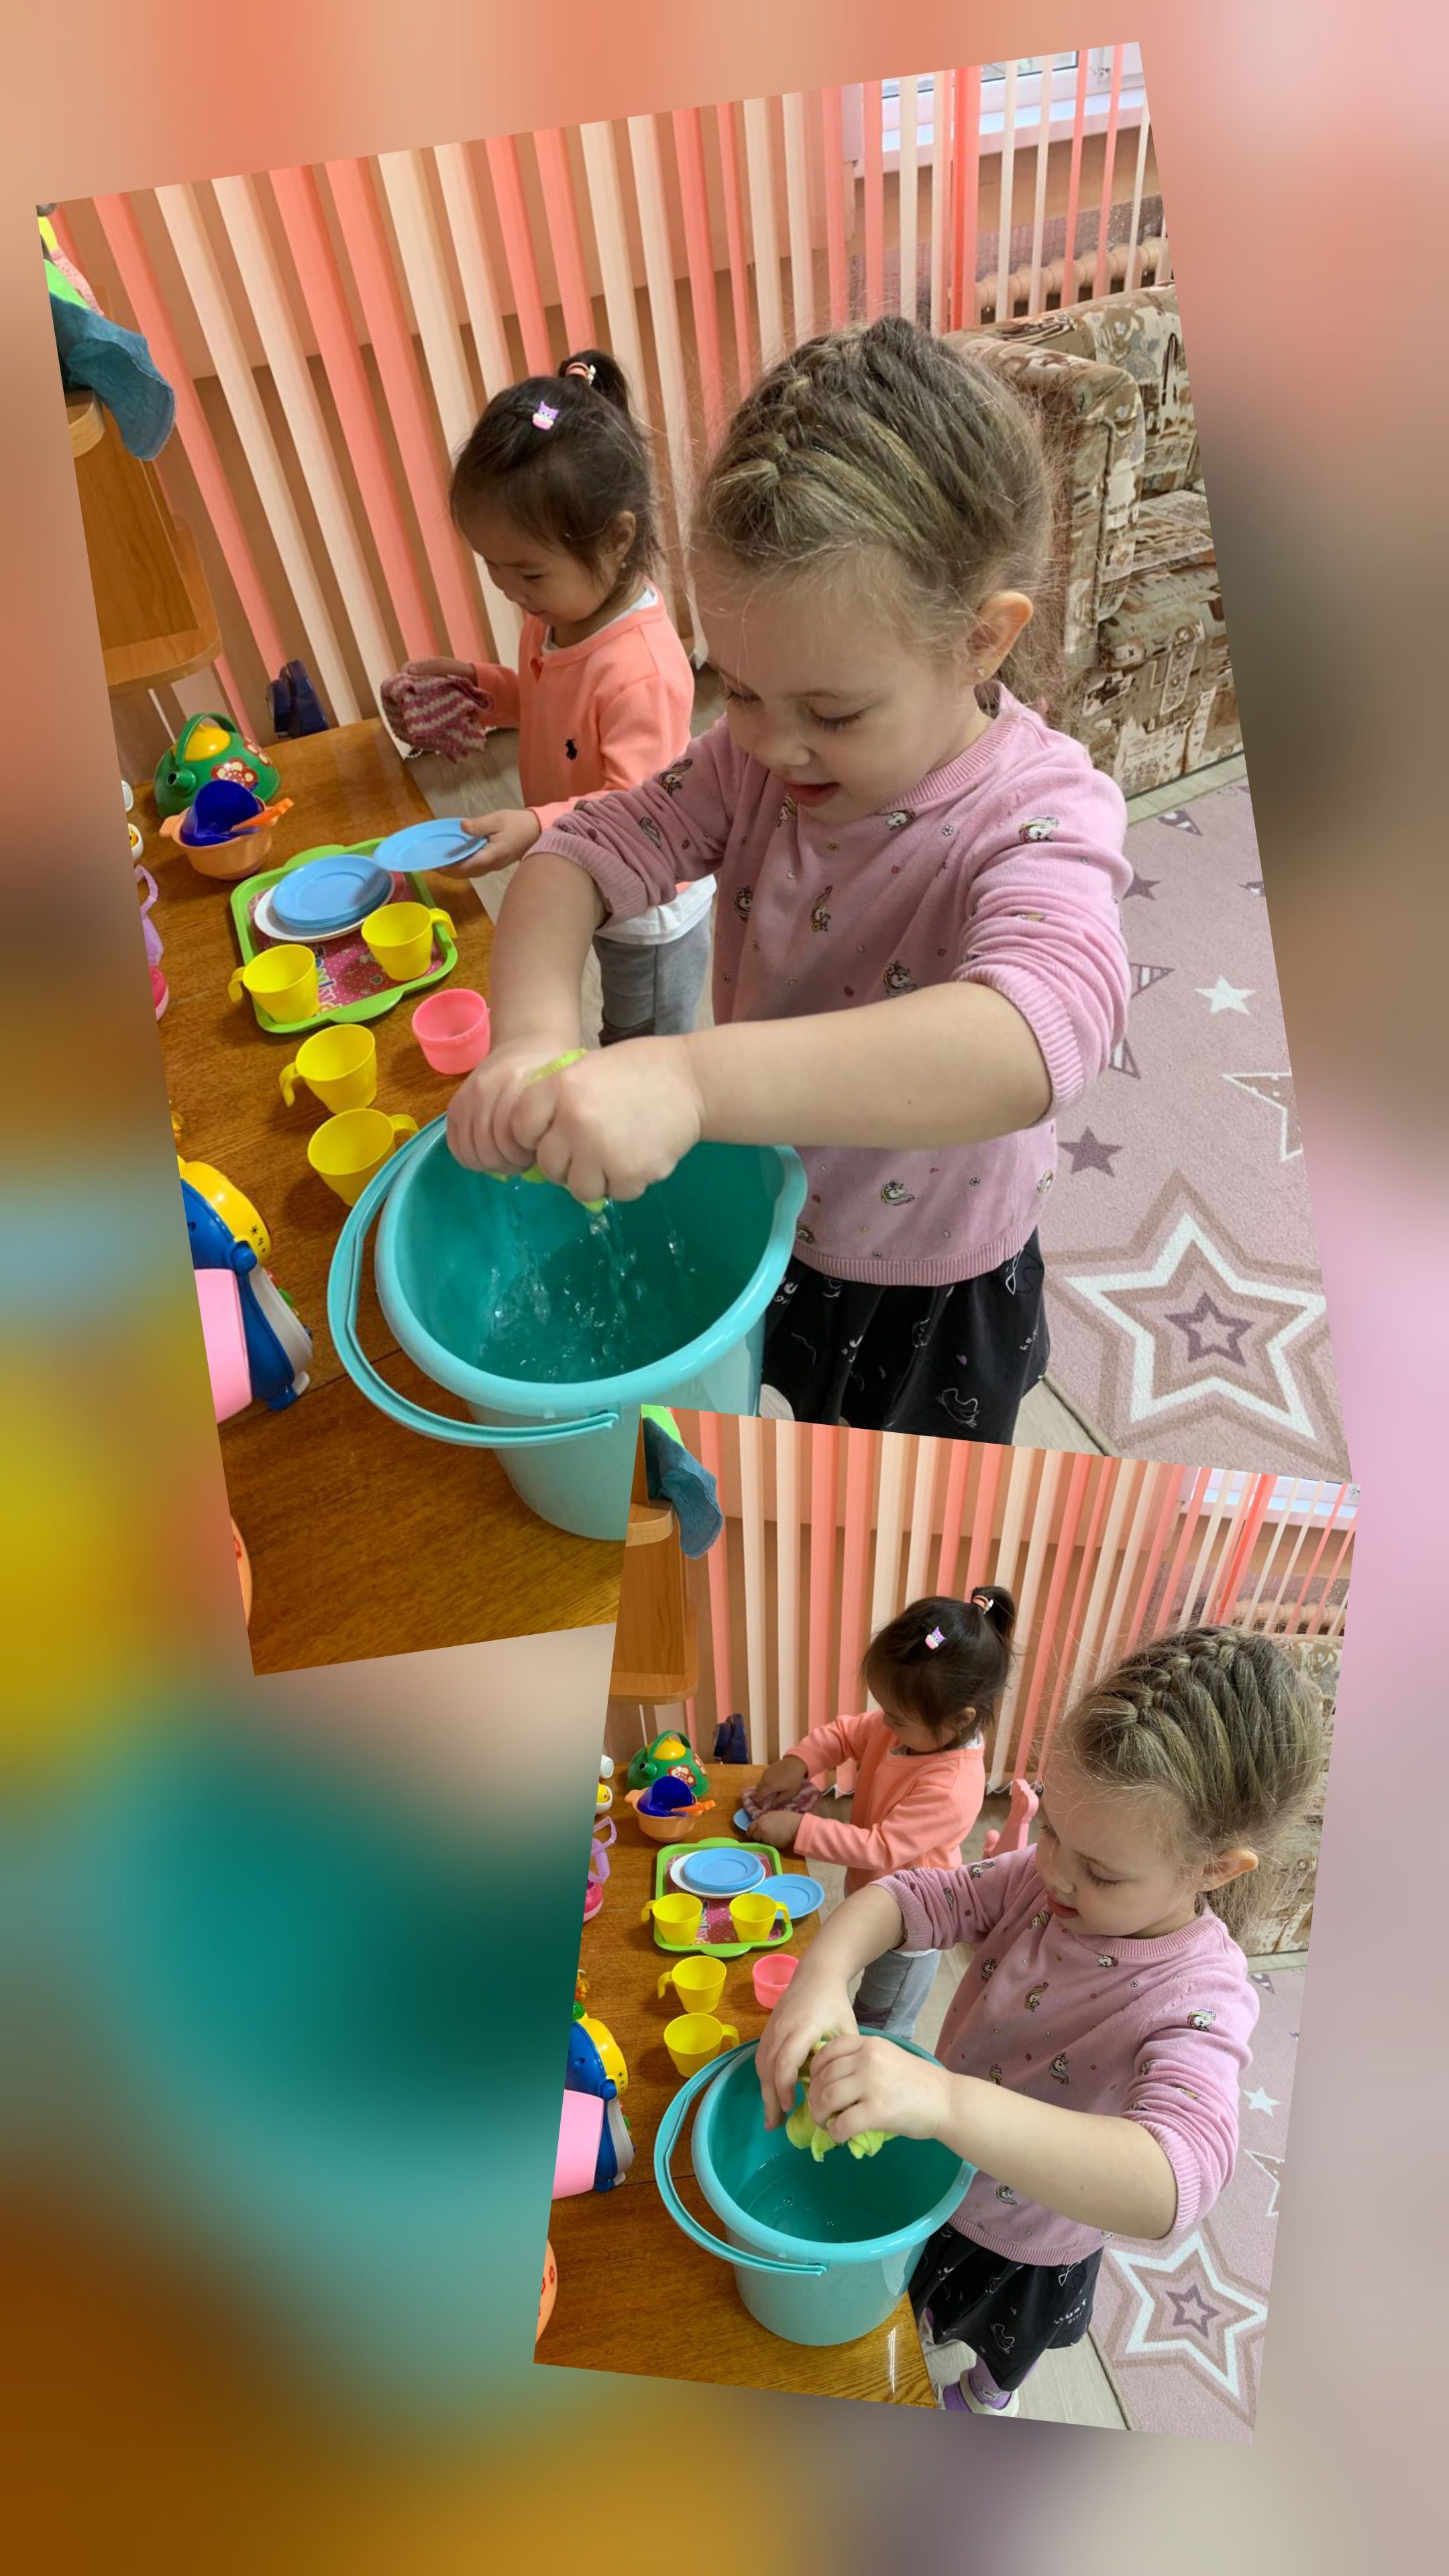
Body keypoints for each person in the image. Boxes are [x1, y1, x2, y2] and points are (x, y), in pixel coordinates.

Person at [445, 315, 1131, 1442]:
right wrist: (528, 1040)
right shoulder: (749, 764)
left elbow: (1037, 1037)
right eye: (745, 689)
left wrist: (690, 1081)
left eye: (833, 711)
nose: (772, 742)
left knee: (909, 1508)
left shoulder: (1039, 812)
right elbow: (576, 855)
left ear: (982, 640)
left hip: (929, 1278)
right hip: (768, 1212)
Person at [755, 1625, 1323, 2415]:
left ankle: (991, 2398)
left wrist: (944, 2100)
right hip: (943, 2178)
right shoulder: (1036, 1878)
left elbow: (1174, 2180)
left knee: (1005, 2344)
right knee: (918, 2308)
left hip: (1032, 2241)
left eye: (1101, 1873)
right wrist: (822, 1975)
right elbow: (910, 1895)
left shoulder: (1201, 1993)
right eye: (1052, 1826)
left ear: (1216, 1867)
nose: (1054, 1871)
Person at [388, 348, 714, 1045]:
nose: (511, 591)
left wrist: (536, 826)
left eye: (528, 573)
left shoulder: (642, 672)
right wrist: (479, 688)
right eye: (492, 567)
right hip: (590, 871)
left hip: (649, 903)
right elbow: (545, 705)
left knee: (643, 1046)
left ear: (618, 539)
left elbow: (642, 809)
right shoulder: (555, 618)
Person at [746, 1587, 1016, 2039]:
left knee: (879, 2027)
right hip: (872, 1899)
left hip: (910, 1927)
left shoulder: (952, 1787)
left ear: (959, 1720)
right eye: (885, 1710)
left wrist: (800, 1829)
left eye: (897, 1717)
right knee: (847, 1991)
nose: (885, 1723)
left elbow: (881, 1848)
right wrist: (800, 1762)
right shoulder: (911, 1725)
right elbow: (846, 1734)